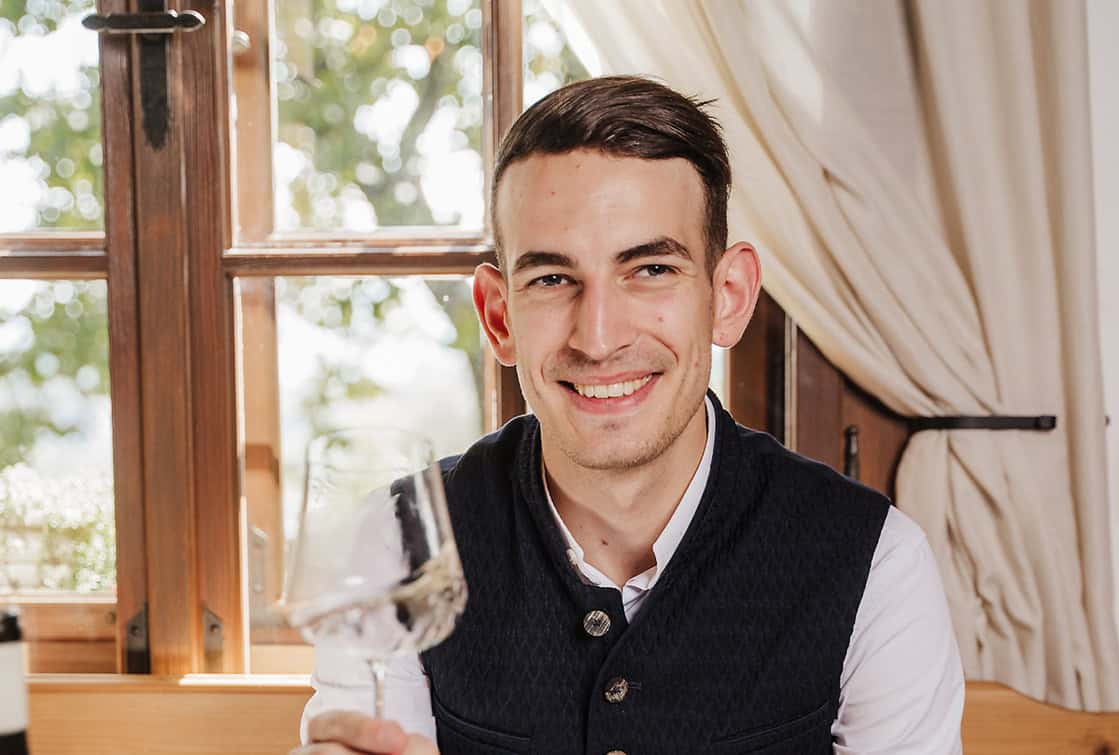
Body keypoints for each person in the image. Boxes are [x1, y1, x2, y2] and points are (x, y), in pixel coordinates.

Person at [293, 75, 965, 755]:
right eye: (552, 279)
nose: (598, 338)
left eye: (650, 270)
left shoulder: (879, 563)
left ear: (728, 296)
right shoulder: (397, 542)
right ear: (499, 317)